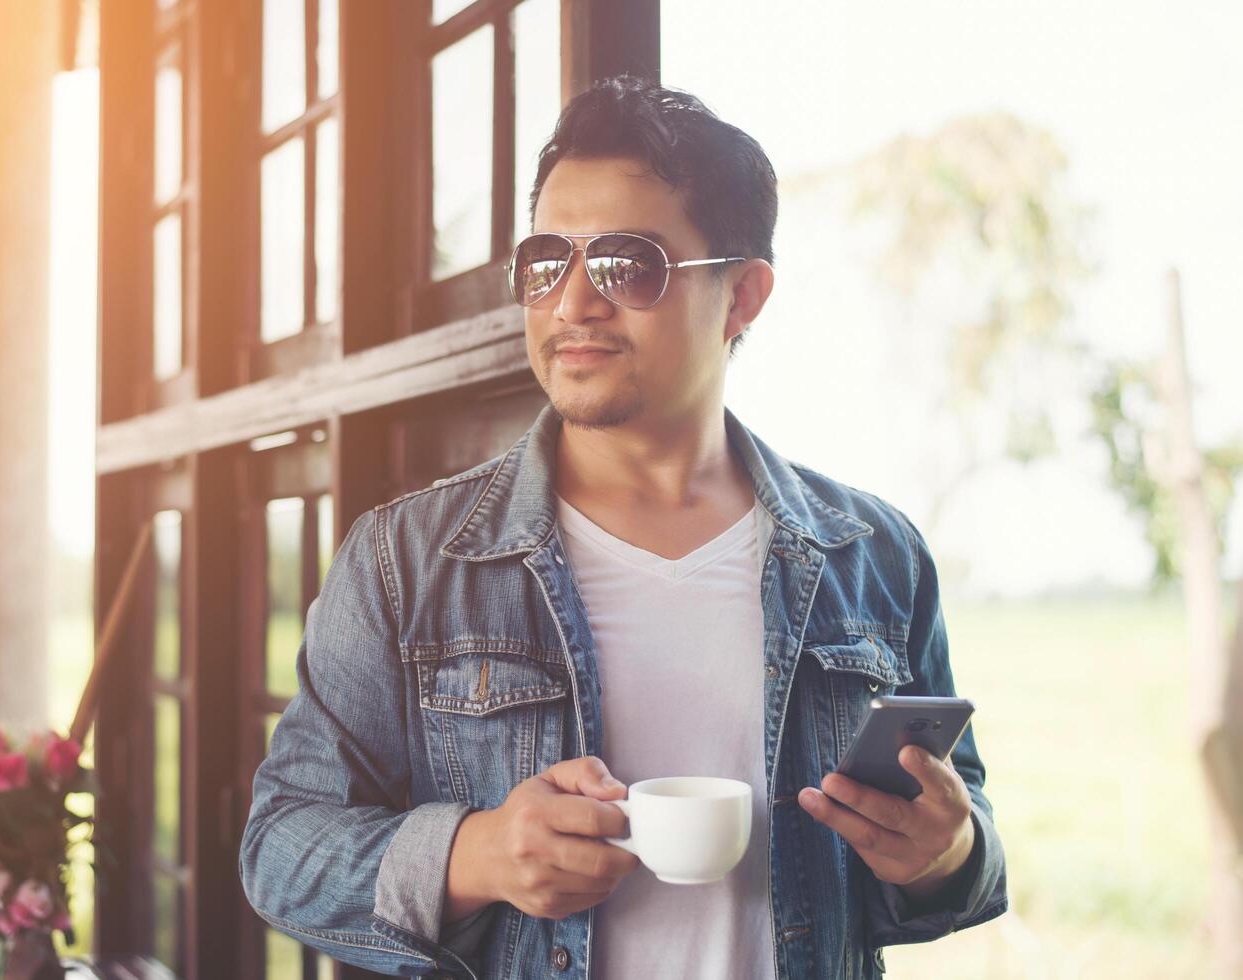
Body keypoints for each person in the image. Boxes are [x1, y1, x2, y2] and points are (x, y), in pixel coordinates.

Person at [240, 74, 1007, 980]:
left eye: (624, 264)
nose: (570, 304)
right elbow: (281, 849)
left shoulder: (873, 557)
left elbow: (966, 846)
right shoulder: (408, 562)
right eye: (544, 262)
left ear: (743, 296)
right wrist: (477, 854)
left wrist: (946, 855)